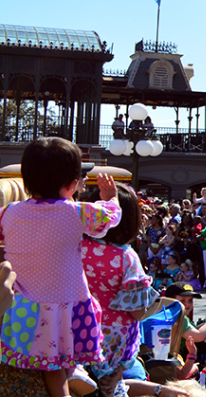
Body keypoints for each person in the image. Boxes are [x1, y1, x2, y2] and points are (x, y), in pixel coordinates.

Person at [0, 137, 122, 397]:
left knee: (51, 367)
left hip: (20, 310)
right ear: (72, 184)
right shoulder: (76, 212)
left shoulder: (7, 212)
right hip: (64, 306)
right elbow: (109, 219)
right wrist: (111, 198)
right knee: (58, 368)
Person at [82, 183, 160, 397]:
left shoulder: (77, 247)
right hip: (114, 341)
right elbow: (136, 312)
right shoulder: (126, 257)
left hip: (77, 331)